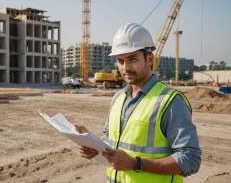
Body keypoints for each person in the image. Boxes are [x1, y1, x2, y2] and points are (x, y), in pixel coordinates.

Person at [78, 23, 201, 183]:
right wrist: (95, 148)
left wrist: (135, 164)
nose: (125, 67)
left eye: (132, 59)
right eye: (120, 61)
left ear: (150, 59)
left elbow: (190, 160)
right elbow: (113, 143)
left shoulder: (170, 101)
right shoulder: (118, 98)